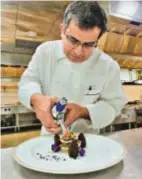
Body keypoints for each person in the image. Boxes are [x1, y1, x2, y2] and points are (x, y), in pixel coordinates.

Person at [18, 1, 127, 135]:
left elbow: (113, 105)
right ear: (63, 30)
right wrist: (36, 99)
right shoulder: (45, 52)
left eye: (89, 44)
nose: (78, 51)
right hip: (48, 139)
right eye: (73, 40)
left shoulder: (108, 66)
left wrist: (84, 111)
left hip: (88, 141)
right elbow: (28, 82)